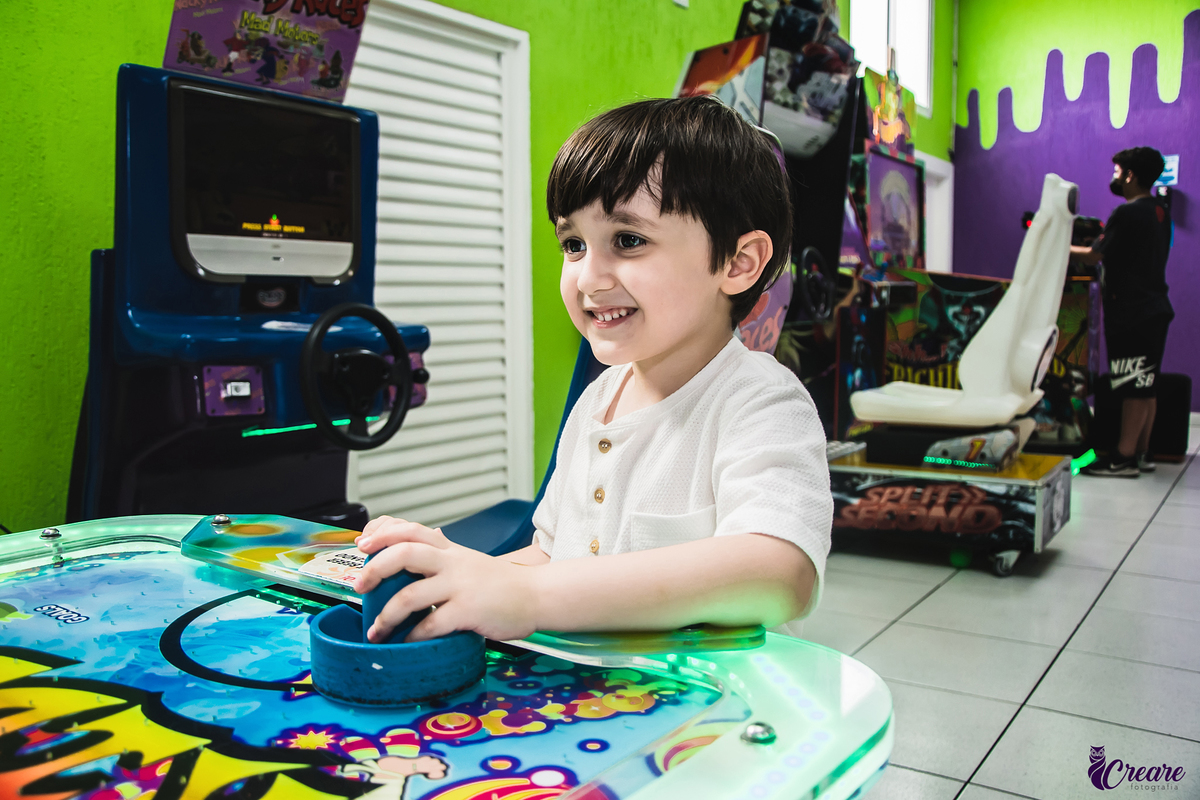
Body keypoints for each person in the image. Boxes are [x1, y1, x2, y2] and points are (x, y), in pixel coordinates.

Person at [352, 96, 832, 643]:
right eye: (574, 244)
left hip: (709, 712)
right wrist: (461, 570)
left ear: (738, 263)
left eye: (628, 241)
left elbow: (780, 573)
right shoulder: (598, 399)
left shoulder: (761, 401)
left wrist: (530, 597)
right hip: (593, 707)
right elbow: (552, 555)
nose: (587, 278)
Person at [1072, 147, 1173, 477]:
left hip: (1131, 312)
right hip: (1155, 308)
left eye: (1117, 172)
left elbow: (1093, 256)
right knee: (1146, 383)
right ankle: (1143, 453)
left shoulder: (1127, 213)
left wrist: (1054, 239)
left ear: (1130, 175)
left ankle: (1122, 458)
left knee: (1132, 384)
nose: (1114, 177)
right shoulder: (1160, 210)